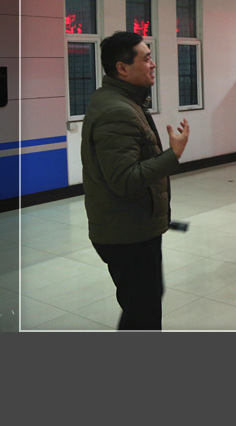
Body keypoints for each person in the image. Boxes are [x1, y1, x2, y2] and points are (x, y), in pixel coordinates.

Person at [82, 31, 190, 330]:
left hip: (131, 226)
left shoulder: (121, 101)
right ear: (122, 68)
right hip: (128, 233)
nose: (153, 64)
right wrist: (173, 154)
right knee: (142, 312)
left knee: (141, 304)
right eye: (146, 58)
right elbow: (125, 179)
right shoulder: (118, 110)